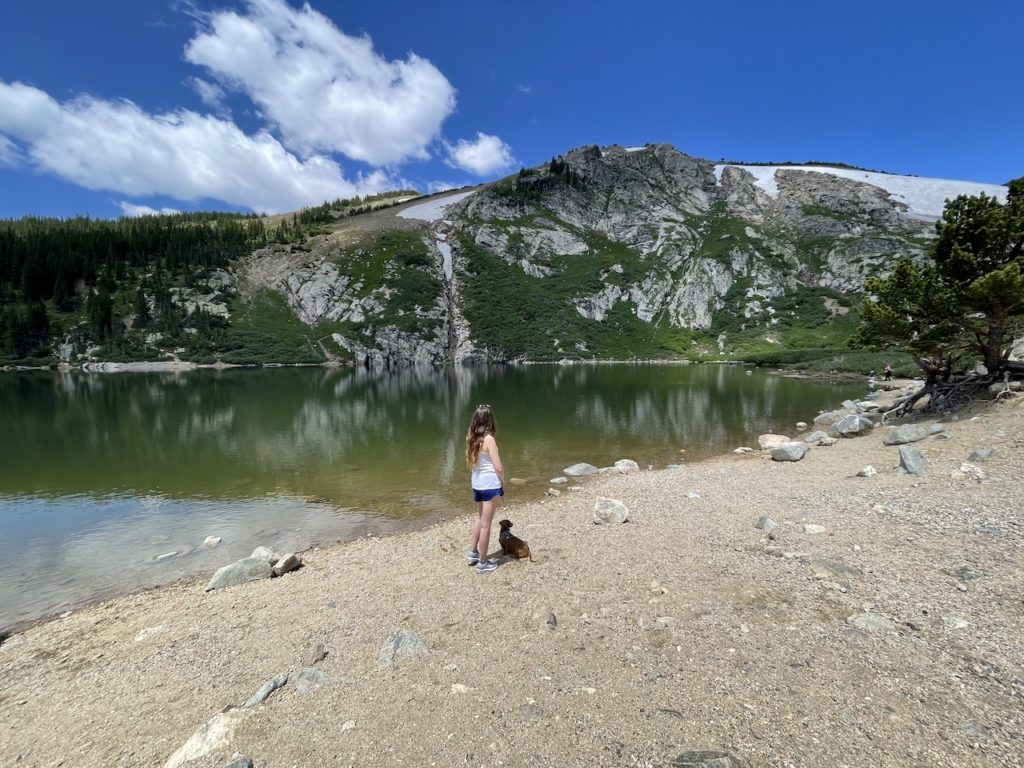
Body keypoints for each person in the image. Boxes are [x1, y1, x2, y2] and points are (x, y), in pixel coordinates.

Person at [466, 404, 504, 574]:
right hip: (489, 484)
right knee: (486, 524)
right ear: (490, 420)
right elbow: (499, 467)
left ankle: (473, 553)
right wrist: (502, 482)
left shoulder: (472, 437)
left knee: (480, 518)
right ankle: (483, 562)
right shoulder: (489, 439)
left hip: (477, 483)